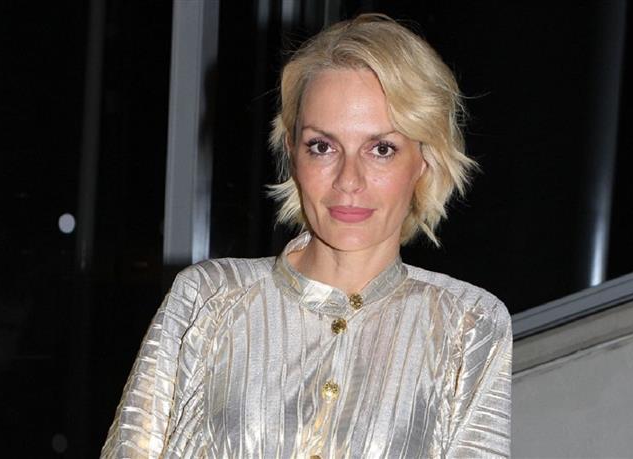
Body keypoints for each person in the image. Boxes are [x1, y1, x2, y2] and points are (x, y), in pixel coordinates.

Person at [101, 13, 511, 459]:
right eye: (322, 146)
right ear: (293, 154)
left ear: (424, 161)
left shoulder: (469, 323)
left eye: (381, 149)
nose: (348, 180)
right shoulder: (209, 297)